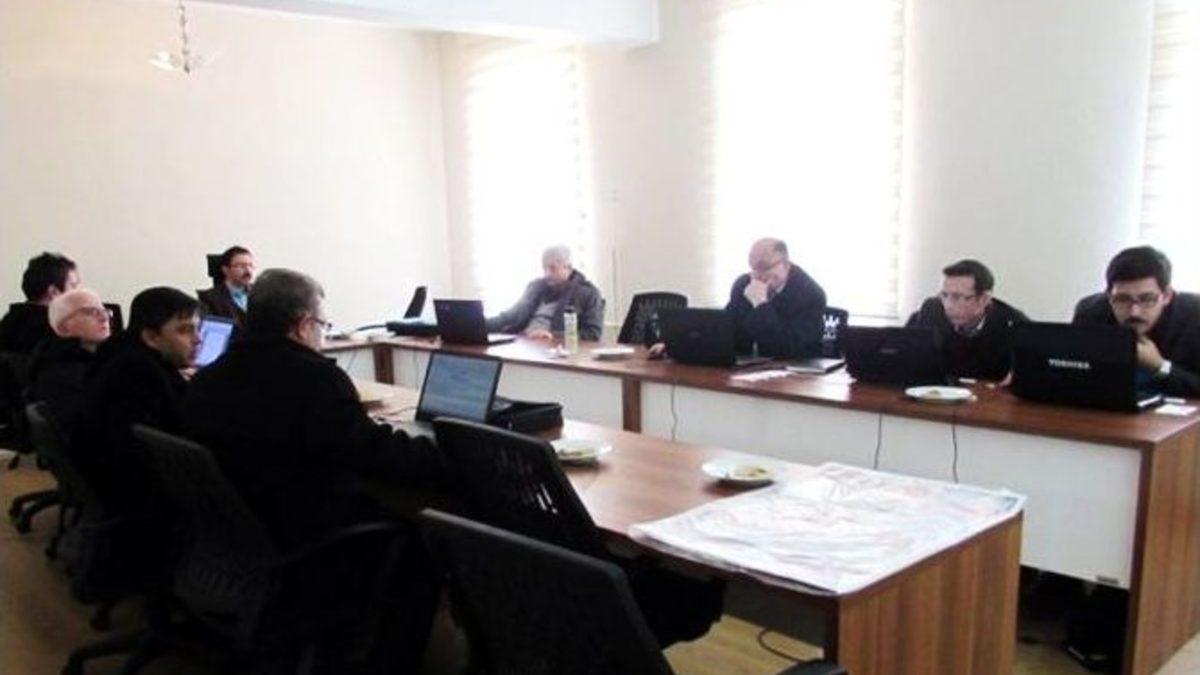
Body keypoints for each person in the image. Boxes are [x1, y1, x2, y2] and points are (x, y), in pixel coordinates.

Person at [181, 269, 445, 672]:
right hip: (303, 538)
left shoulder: (209, 377)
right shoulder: (315, 378)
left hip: (245, 528)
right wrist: (444, 455)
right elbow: (374, 453)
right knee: (421, 538)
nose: (322, 334)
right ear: (303, 325)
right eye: (323, 324)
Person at [78, 287, 201, 507]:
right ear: (151, 337)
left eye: (197, 329)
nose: (198, 339)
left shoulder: (119, 354)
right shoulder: (137, 373)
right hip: (140, 499)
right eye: (185, 331)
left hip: (112, 486)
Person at [1074, 246, 1200, 397]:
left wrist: (1160, 366)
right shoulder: (1090, 314)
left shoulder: (1195, 317)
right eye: (1122, 299)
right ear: (1108, 296)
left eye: (1147, 299)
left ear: (1166, 296)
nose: (1134, 312)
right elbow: (1074, 375)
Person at [906, 259, 1028, 381]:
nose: (948, 305)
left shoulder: (1014, 325)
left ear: (984, 299)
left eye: (957, 297)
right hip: (936, 390)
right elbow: (903, 356)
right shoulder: (930, 312)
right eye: (944, 295)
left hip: (987, 392)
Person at [27, 289, 112, 436]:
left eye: (105, 311)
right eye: (90, 312)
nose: (104, 318)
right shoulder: (60, 370)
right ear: (63, 328)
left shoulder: (99, 360)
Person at [725, 238, 826, 358]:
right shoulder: (744, 285)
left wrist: (760, 304)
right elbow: (727, 332)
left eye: (764, 267)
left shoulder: (810, 294)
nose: (757, 275)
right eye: (753, 268)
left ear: (786, 265)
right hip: (748, 365)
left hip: (797, 365)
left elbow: (785, 348)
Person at [486, 245, 605, 341]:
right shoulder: (535, 287)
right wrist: (480, 325)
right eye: (544, 268)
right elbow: (509, 317)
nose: (547, 274)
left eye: (553, 268)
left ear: (568, 267)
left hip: (554, 350)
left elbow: (593, 333)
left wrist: (552, 335)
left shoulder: (588, 293)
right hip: (522, 344)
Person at [0, 252, 80, 354]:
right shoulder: (59, 331)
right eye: (73, 286)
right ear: (53, 292)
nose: (78, 292)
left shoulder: (8, 321)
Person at [197, 245, 255, 328]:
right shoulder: (208, 299)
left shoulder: (260, 293)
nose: (248, 271)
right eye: (241, 266)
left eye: (251, 265)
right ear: (226, 270)